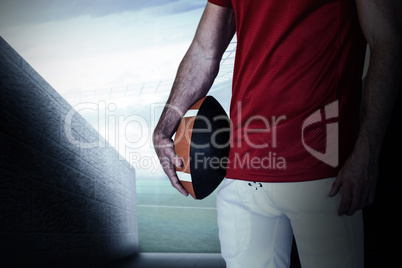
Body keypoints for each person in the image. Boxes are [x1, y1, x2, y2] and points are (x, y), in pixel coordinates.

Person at [153, 1, 401, 267]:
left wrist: (368, 151)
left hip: (321, 172)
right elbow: (204, 51)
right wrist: (164, 129)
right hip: (243, 173)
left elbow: (386, 38)